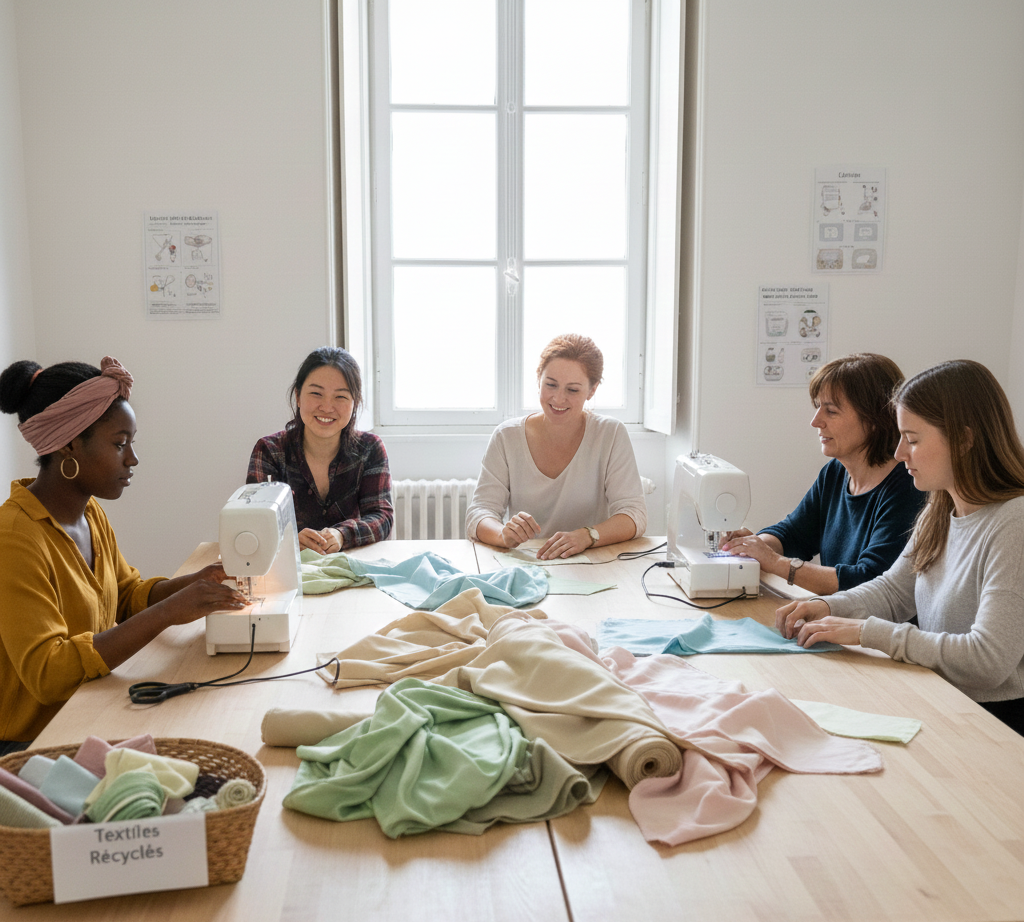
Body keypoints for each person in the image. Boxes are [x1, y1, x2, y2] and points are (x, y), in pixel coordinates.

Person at [0, 357, 248, 753]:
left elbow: (126, 594)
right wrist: (167, 613)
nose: (132, 459)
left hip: (87, 711)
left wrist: (196, 583)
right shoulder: (14, 538)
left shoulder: (87, 512)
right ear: (68, 444)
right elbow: (48, 673)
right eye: (119, 444)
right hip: (32, 746)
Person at [777, 360, 1024, 736]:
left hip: (996, 724)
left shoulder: (1014, 523)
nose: (899, 453)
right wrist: (827, 607)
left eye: (911, 439)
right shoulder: (940, 509)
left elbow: (987, 660)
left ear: (965, 439)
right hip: (943, 699)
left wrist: (865, 632)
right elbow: (894, 591)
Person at [721, 353, 924, 594]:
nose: (815, 421)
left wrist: (774, 562)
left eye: (831, 411)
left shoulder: (909, 489)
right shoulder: (836, 472)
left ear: (874, 420)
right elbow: (794, 535)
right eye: (818, 407)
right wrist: (751, 546)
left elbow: (868, 581)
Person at [466, 333, 647, 560]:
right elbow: (479, 513)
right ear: (538, 379)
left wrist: (587, 536)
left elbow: (634, 514)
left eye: (572, 390)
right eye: (550, 385)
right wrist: (503, 534)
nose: (558, 399)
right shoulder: (506, 436)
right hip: (528, 564)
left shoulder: (610, 434)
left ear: (592, 390)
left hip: (591, 563)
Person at [247, 346, 392, 555]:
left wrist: (342, 535)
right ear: (298, 396)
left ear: (354, 402)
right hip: (286, 567)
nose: (326, 407)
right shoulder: (269, 451)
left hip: (351, 566)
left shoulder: (370, 448)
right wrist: (291, 539)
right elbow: (255, 520)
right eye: (316, 393)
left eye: (340, 397)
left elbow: (381, 517)